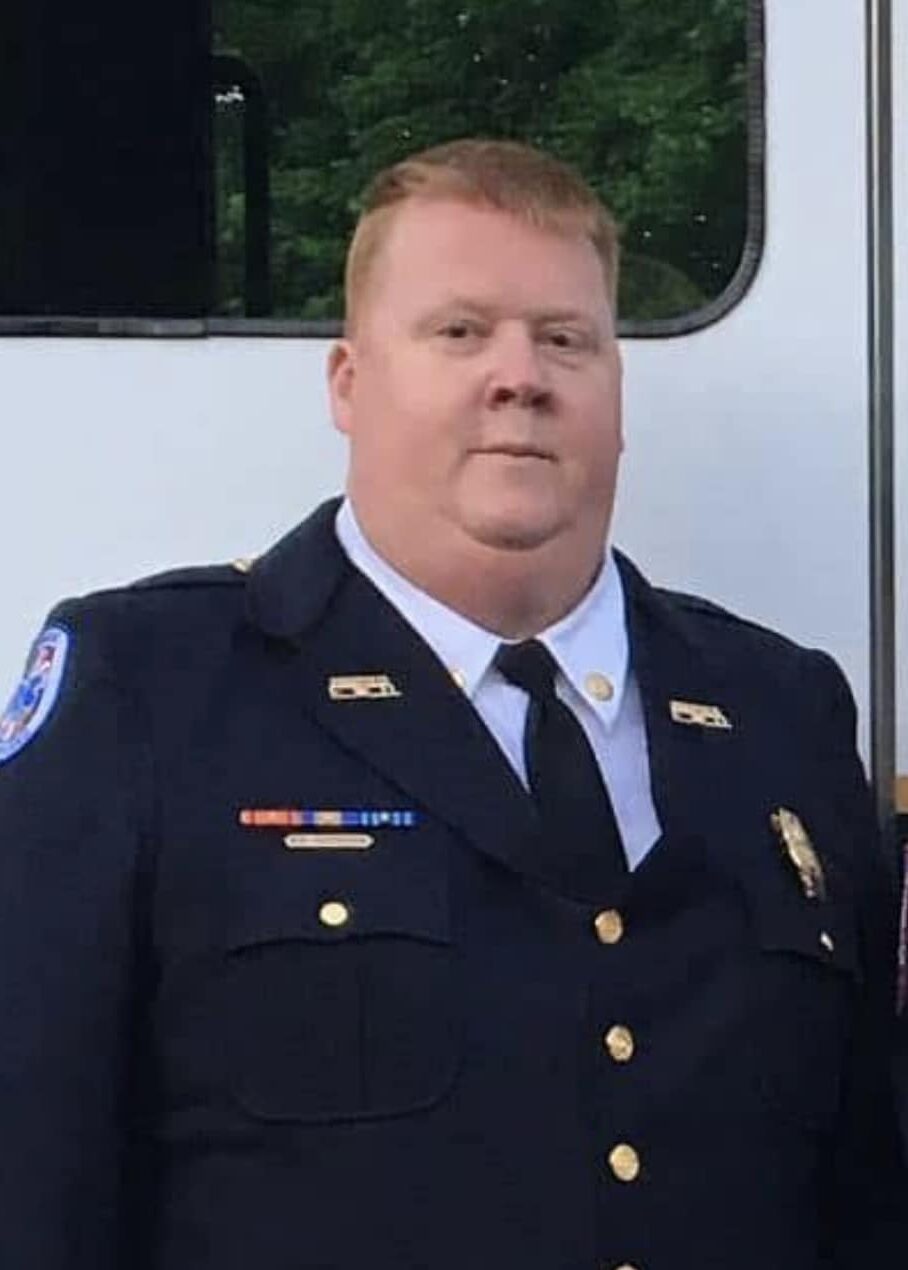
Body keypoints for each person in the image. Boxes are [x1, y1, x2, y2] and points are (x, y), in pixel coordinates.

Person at [0, 139, 904, 1269]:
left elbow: (866, 1189)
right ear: (347, 382)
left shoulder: (779, 712)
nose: (519, 376)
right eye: (459, 332)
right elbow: (33, 1178)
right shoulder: (150, 690)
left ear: (613, 395)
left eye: (565, 339)